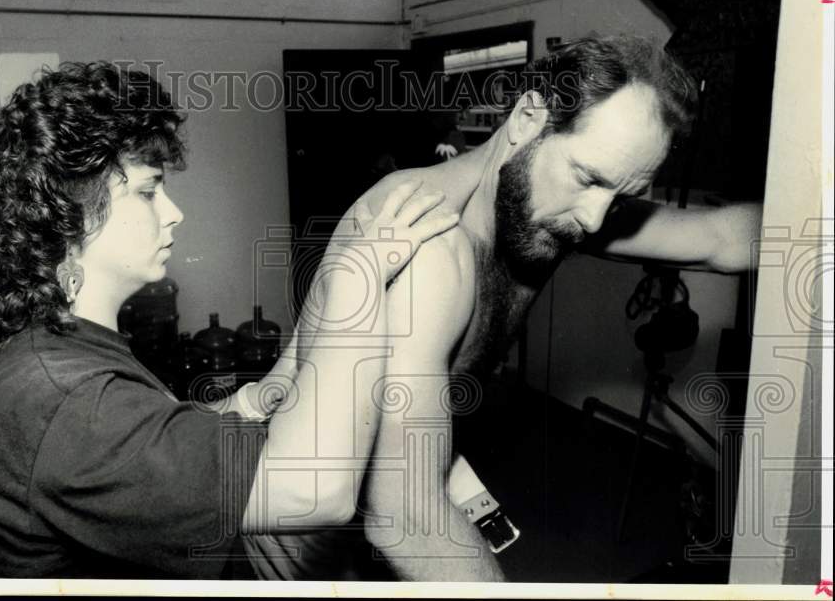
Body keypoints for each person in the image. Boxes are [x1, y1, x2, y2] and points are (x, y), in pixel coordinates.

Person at [247, 34, 763, 580]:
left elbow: (721, 239)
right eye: (589, 179)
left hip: (395, 490)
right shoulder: (428, 245)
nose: (595, 219)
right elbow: (406, 517)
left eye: (619, 195)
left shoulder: (546, 206)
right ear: (527, 118)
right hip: (308, 539)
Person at [0, 61, 466, 578]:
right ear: (69, 211)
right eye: (148, 191)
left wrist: (247, 402)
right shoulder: (63, 401)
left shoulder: (60, 349)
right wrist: (361, 274)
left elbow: (143, 438)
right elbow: (314, 490)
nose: (173, 212)